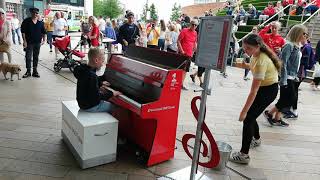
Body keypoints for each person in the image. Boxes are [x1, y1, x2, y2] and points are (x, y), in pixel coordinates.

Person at [229, 33, 281, 164]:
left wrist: (243, 112)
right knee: (252, 116)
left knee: (248, 118)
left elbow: (253, 91)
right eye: (244, 48)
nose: (245, 51)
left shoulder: (262, 60)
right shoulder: (256, 54)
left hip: (268, 90)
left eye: (248, 49)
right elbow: (253, 66)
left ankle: (243, 155)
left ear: (258, 46)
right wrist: (245, 65)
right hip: (265, 88)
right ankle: (256, 139)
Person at [265, 24, 309, 127]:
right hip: (287, 77)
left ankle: (276, 117)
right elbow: (283, 63)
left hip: (292, 76)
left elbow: (295, 63)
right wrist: (284, 80)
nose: (305, 35)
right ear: (298, 33)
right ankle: (270, 113)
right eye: (304, 33)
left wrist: (295, 76)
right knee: (290, 98)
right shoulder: (289, 45)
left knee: (285, 98)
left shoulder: (296, 46)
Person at [73, 48, 122, 112]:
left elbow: (89, 83)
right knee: (116, 108)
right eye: (102, 61)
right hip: (90, 106)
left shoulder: (84, 70)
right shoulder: (91, 76)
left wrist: (100, 83)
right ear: (96, 60)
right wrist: (112, 93)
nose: (102, 64)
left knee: (107, 100)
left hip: (83, 104)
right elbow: (96, 97)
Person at [21, 8, 46, 78]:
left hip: (38, 43)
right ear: (31, 13)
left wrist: (44, 40)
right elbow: (23, 32)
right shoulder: (26, 21)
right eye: (34, 13)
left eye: (36, 13)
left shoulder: (40, 23)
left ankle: (35, 71)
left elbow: (44, 32)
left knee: (36, 57)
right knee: (28, 57)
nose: (35, 14)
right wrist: (24, 41)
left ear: (38, 14)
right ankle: (28, 71)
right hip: (29, 43)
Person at [177, 19, 198, 90]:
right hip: (182, 54)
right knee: (180, 69)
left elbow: (194, 42)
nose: (194, 26)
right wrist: (181, 50)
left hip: (189, 54)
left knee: (185, 70)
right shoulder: (184, 30)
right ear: (190, 24)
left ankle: (181, 84)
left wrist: (195, 50)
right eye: (193, 24)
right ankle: (177, 84)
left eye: (196, 25)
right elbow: (178, 40)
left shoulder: (195, 33)